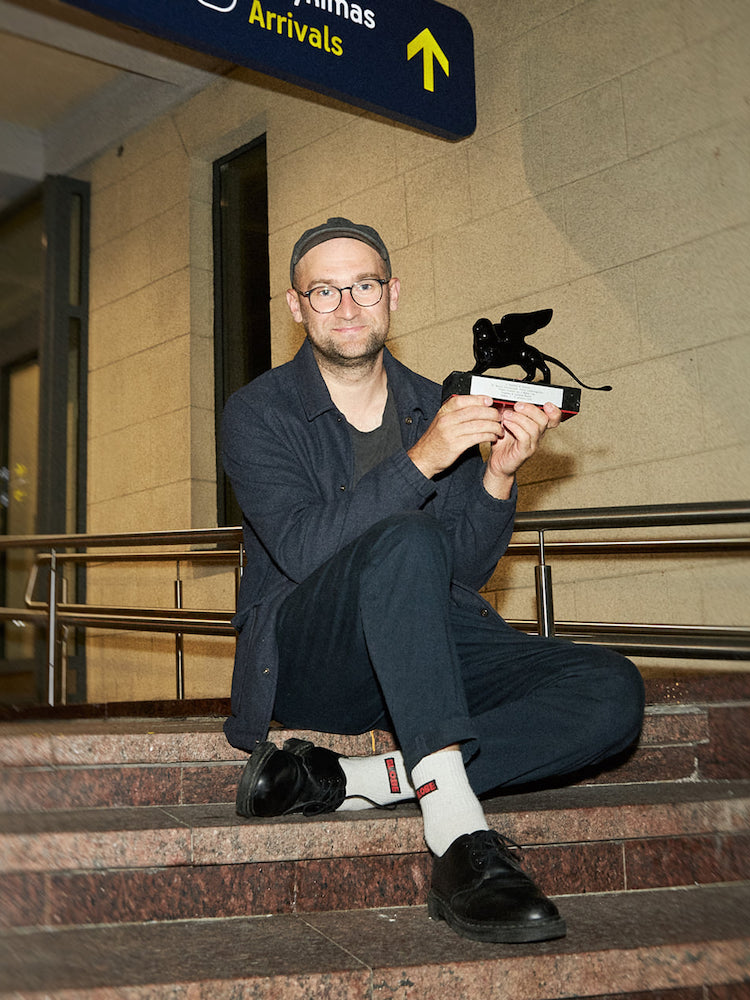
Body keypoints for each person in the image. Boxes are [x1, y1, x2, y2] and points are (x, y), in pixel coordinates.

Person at [220, 217, 645, 944]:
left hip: (419, 644)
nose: (347, 305)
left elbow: (462, 575)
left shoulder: (435, 401)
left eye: (364, 285)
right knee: (405, 537)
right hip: (313, 653)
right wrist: (421, 459)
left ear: (392, 295)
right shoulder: (258, 411)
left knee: (612, 690)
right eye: (325, 291)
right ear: (296, 306)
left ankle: (352, 782)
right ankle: (456, 839)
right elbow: (299, 547)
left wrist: (498, 479)